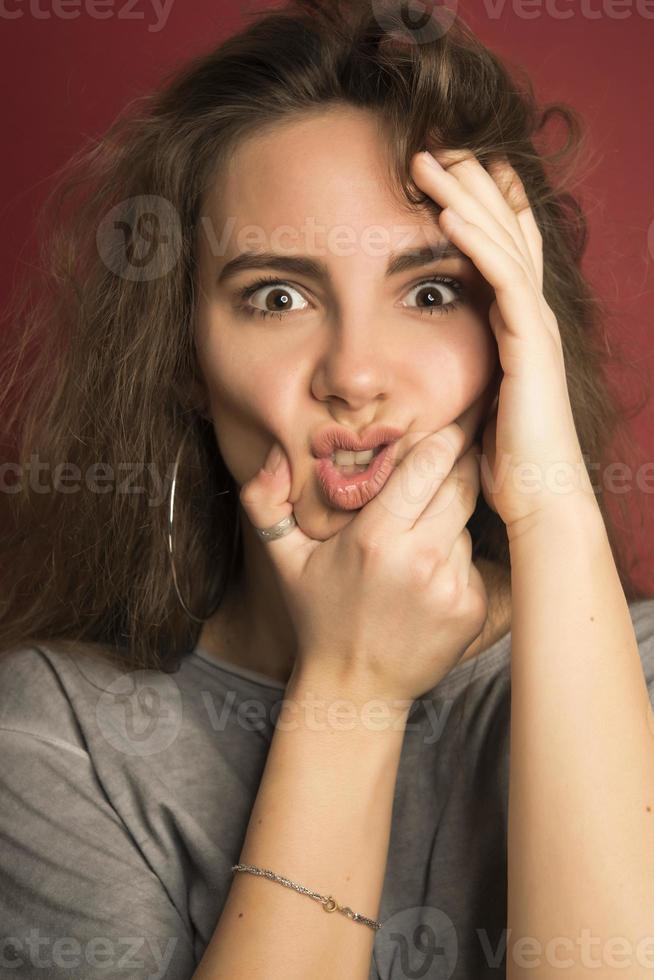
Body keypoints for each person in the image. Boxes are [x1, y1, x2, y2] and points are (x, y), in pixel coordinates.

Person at [1, 1, 653, 978]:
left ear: (517, 336)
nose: (354, 373)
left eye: (432, 290)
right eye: (279, 295)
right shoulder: (58, 742)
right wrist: (352, 687)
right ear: (184, 355)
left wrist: (552, 496)